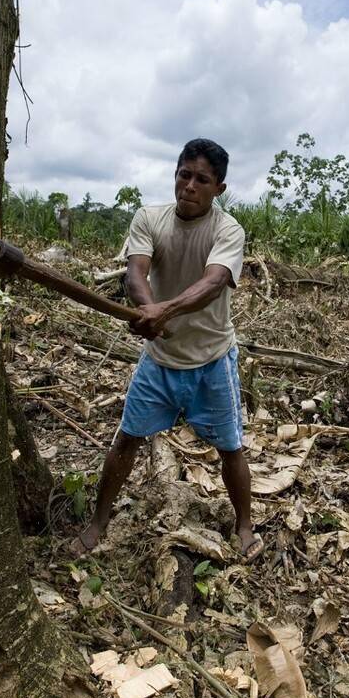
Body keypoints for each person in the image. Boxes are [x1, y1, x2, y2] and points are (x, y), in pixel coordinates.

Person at [72, 138, 262, 560]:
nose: (190, 186)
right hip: (158, 360)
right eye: (184, 175)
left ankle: (244, 525)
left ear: (219, 188)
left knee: (230, 447)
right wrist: (148, 309)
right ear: (175, 175)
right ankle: (98, 522)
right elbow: (134, 273)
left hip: (212, 359)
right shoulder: (150, 218)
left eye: (202, 180)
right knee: (127, 440)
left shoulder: (227, 229)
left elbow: (214, 283)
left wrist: (164, 312)